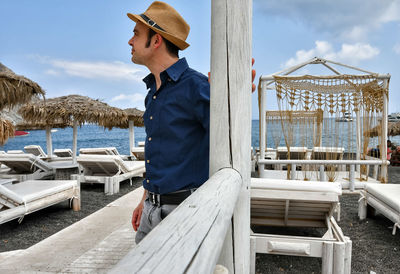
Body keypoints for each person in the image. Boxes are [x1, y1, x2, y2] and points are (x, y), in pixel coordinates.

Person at [127, 1, 255, 243]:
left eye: (136, 34)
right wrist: (145, 199)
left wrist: (235, 98)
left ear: (156, 41)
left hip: (183, 212)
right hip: (151, 210)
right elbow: (159, 154)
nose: (130, 41)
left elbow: (230, 133)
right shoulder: (152, 93)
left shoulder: (196, 86)